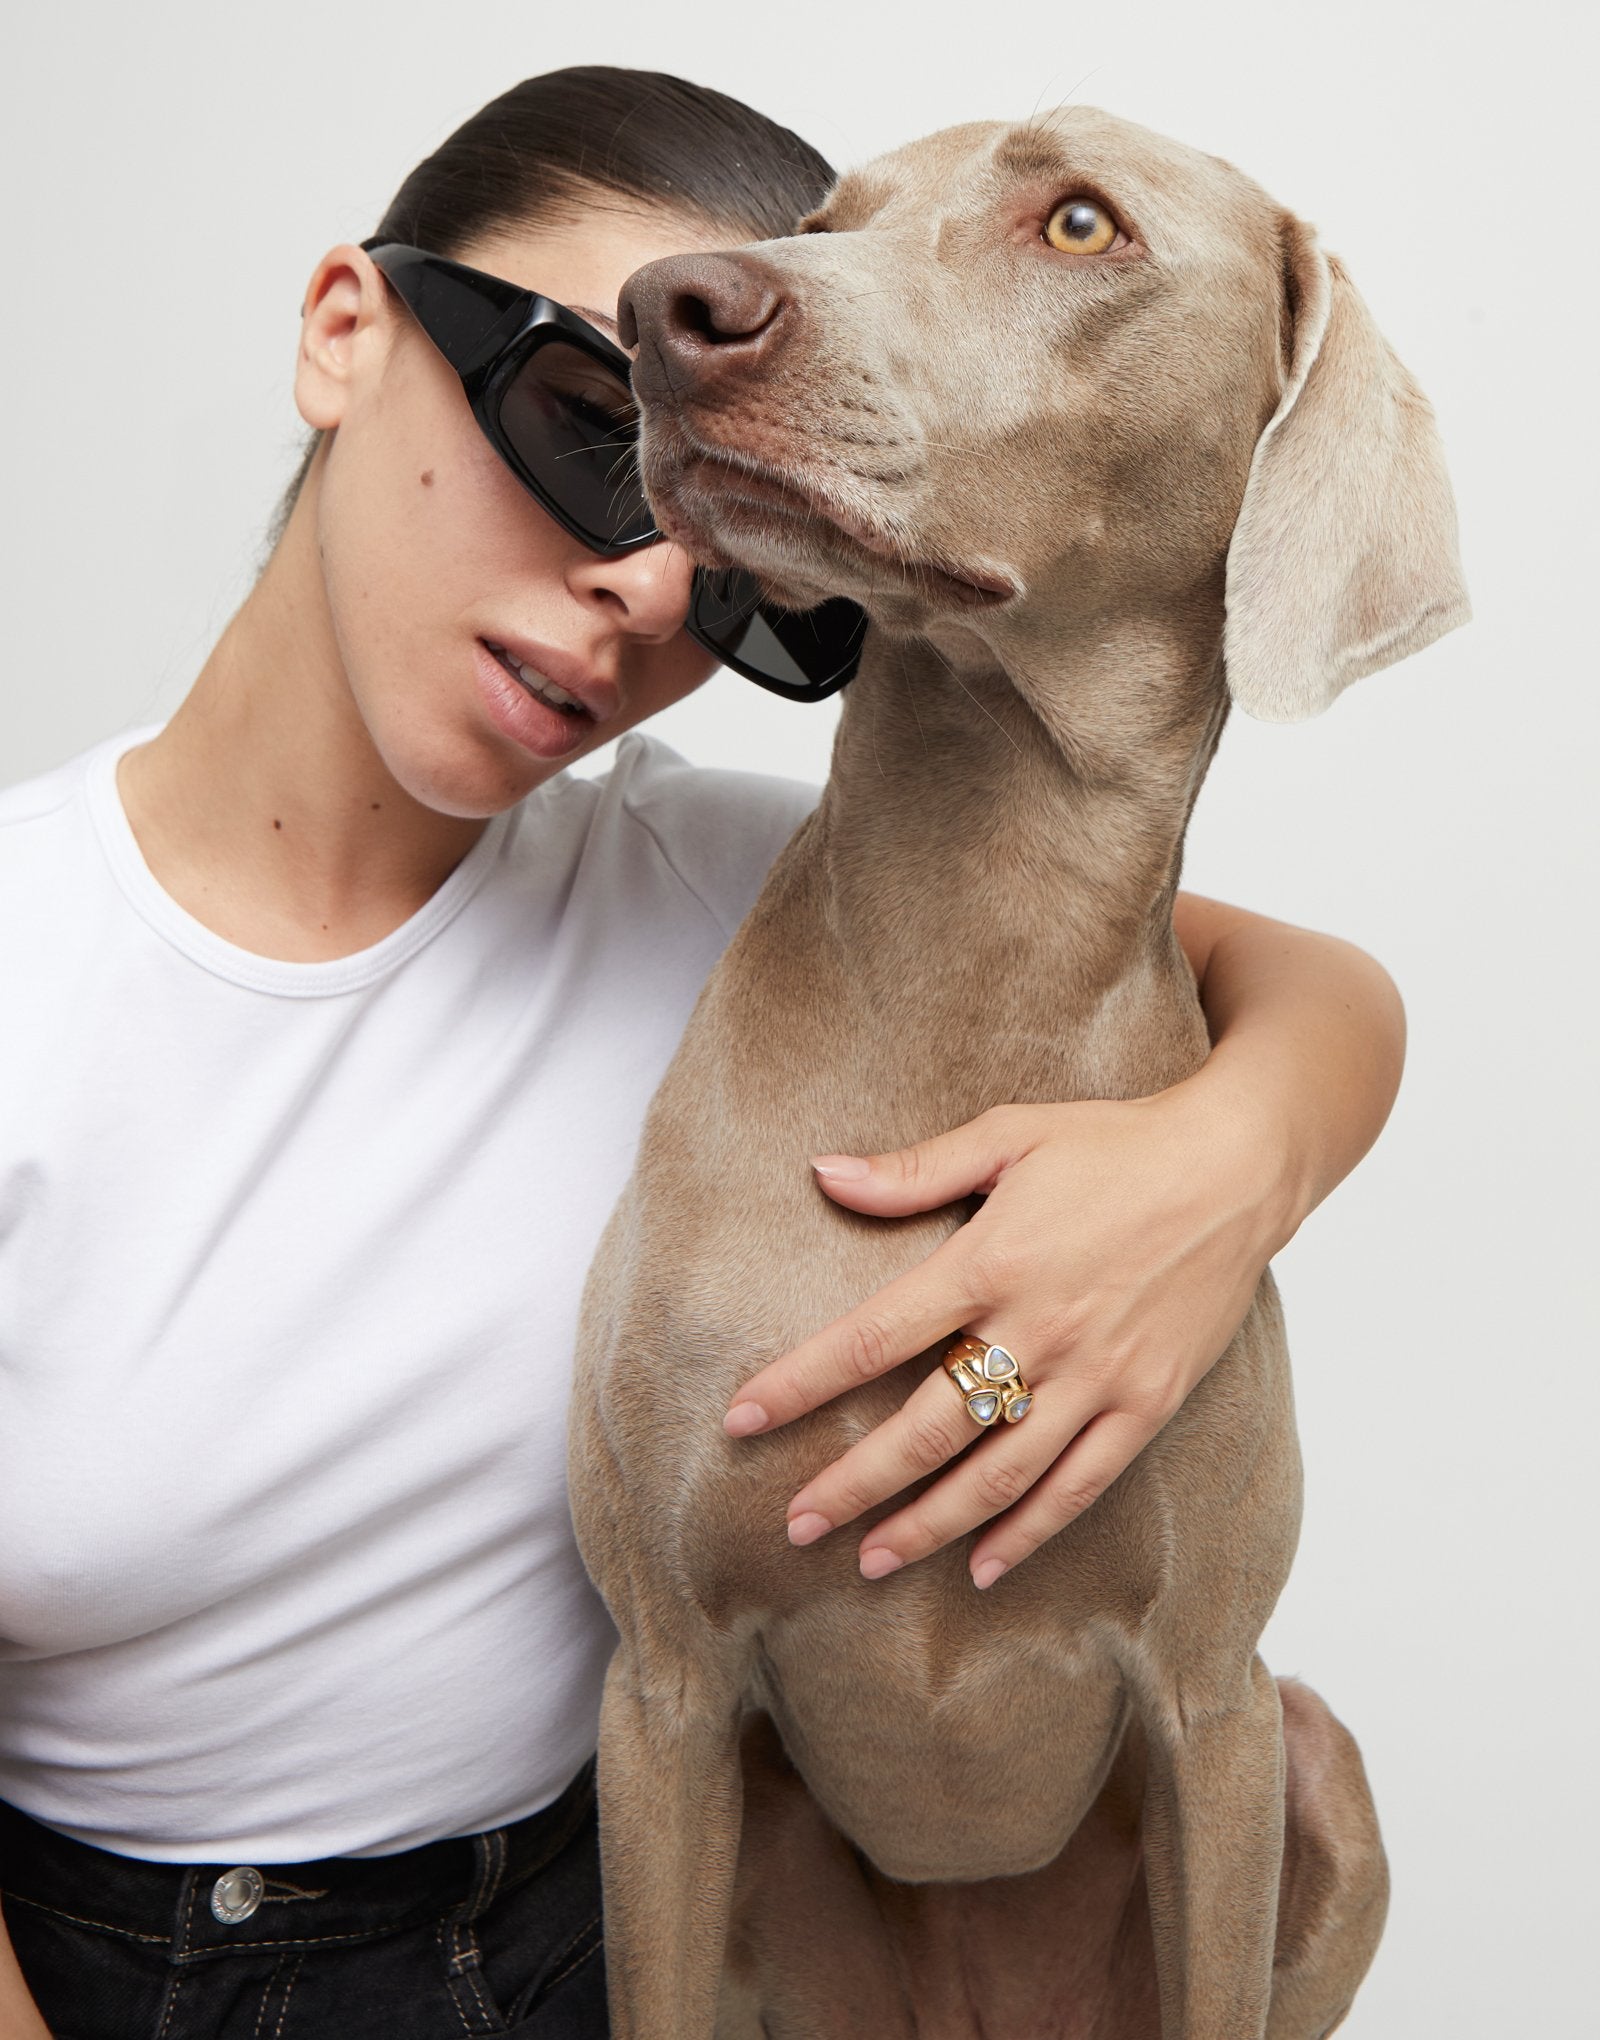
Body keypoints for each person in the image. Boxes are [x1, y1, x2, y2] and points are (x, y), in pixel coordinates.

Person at [0, 64, 1406, 2040]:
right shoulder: (28, 968)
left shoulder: (740, 904)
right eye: (587, 418)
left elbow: (1311, 992)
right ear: (343, 333)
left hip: (620, 1927)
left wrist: (1225, 1166)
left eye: (738, 568)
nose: (648, 588)